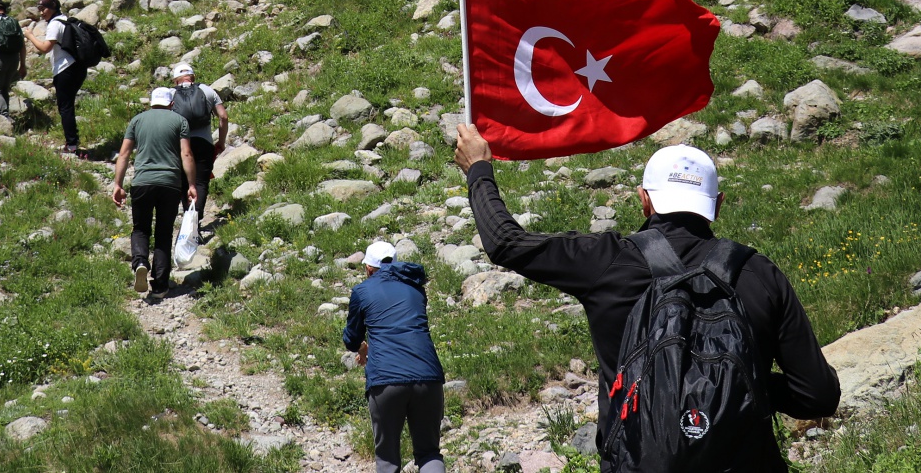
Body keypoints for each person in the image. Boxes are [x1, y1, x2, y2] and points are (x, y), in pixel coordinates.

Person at [453, 126, 840, 470]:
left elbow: (506, 243)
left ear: (644, 199)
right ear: (717, 204)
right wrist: (739, 389)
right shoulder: (760, 273)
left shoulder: (607, 261)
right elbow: (818, 396)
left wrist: (479, 170)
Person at [341, 241, 446, 473]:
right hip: (428, 376)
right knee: (429, 453)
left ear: (368, 269)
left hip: (386, 379)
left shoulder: (362, 291)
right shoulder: (416, 287)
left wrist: (361, 347)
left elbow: (351, 338)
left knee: (387, 459)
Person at [112, 87, 198, 301]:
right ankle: (160, 285)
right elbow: (186, 153)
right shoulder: (179, 121)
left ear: (151, 102)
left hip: (142, 183)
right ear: (171, 103)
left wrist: (118, 184)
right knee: (163, 232)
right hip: (169, 183)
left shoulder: (137, 120)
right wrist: (192, 184)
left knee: (140, 228)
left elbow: (124, 154)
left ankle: (140, 262)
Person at [23, 0, 85, 156]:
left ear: (53, 8)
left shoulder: (55, 24)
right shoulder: (66, 19)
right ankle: (72, 141)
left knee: (65, 108)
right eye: (39, 9)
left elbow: (45, 48)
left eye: (43, 9)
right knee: (68, 106)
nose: (41, 12)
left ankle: (71, 145)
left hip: (65, 69)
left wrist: (30, 36)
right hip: (79, 67)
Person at [168, 62, 227, 226]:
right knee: (200, 182)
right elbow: (223, 117)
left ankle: (188, 216)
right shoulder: (207, 91)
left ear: (175, 80)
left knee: (183, 182)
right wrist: (221, 142)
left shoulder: (170, 94)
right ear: (193, 77)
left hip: (179, 145)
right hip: (204, 143)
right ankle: (194, 221)